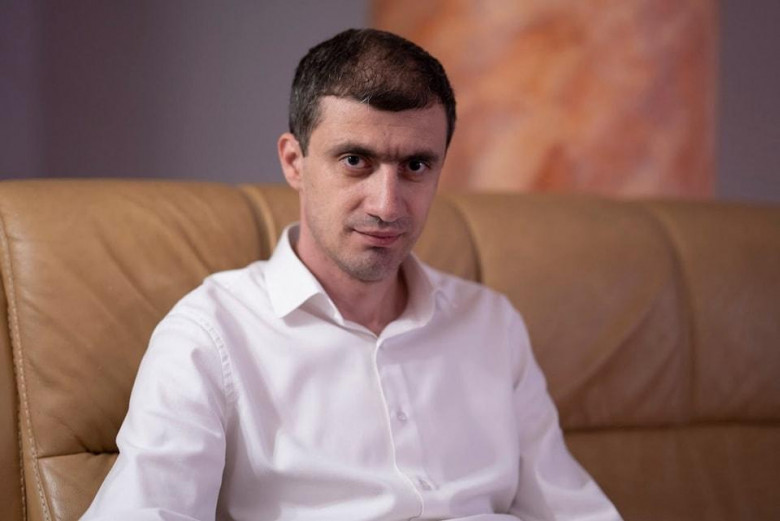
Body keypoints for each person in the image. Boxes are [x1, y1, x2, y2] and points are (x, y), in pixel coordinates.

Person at [81, 28, 622, 521]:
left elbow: (572, 509)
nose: (387, 205)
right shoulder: (211, 335)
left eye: (416, 166)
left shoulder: (491, 323)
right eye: (355, 161)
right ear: (294, 161)